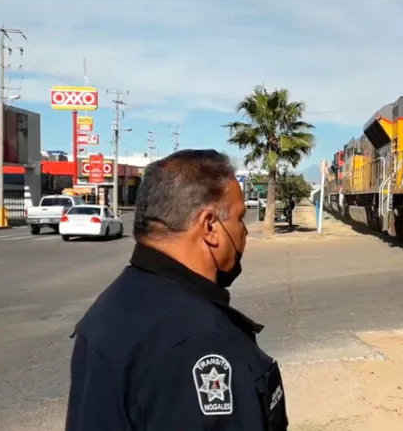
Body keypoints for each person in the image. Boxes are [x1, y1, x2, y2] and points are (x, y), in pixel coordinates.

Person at [65, 149, 288, 430]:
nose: (244, 232)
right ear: (210, 227)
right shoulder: (200, 340)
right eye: (240, 218)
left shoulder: (112, 304)